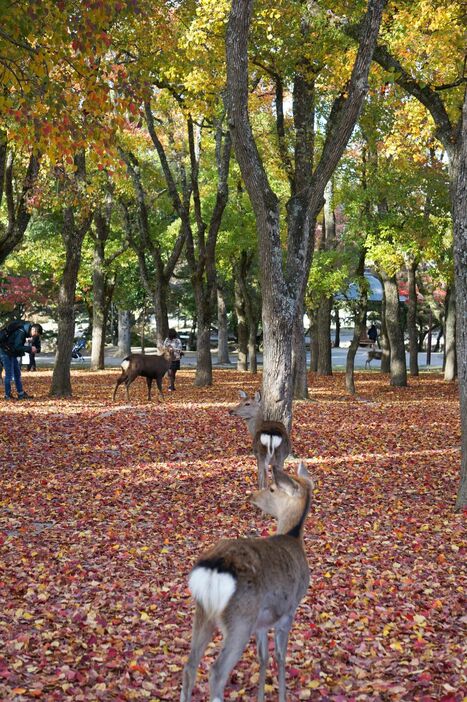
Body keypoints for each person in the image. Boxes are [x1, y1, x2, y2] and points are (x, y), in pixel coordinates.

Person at [0, 321, 43, 400]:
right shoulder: (22, 332)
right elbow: (17, 346)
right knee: (9, 375)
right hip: (5, 352)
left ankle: (21, 393)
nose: (34, 336)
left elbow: (17, 346)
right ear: (33, 330)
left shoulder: (24, 331)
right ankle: (7, 395)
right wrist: (30, 349)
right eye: (35, 334)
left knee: (17, 373)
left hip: (11, 352)